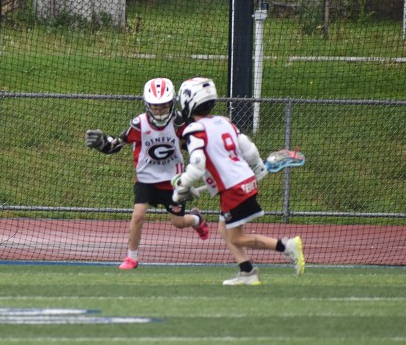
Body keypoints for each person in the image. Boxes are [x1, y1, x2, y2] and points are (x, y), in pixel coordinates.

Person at [170, 77, 304, 285]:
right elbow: (248, 148)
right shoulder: (224, 122)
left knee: (236, 237)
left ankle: (287, 246)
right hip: (241, 183)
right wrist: (258, 168)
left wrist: (181, 188)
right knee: (224, 230)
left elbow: (197, 166)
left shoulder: (194, 130)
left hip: (234, 189)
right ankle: (247, 272)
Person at [85, 77, 211, 270]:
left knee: (178, 222)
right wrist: (102, 144)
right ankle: (131, 257)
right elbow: (116, 144)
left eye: (164, 106)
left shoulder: (179, 123)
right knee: (138, 215)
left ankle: (196, 219)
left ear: (171, 104)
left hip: (173, 181)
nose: (159, 111)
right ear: (147, 105)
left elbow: (192, 146)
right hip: (146, 178)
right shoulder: (139, 124)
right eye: (155, 107)